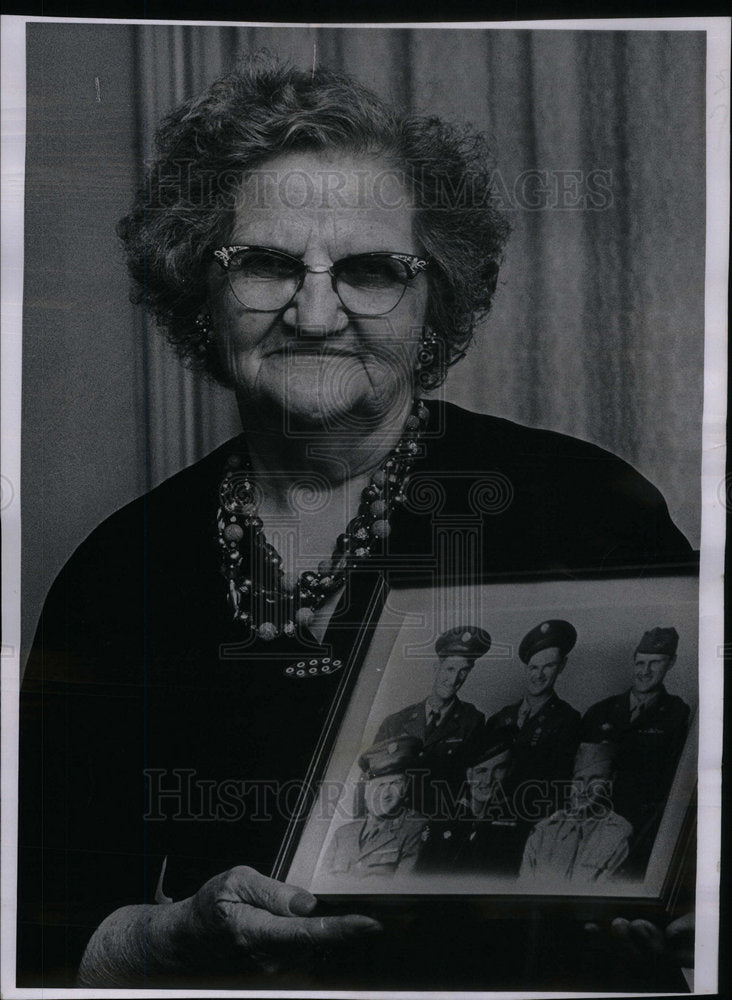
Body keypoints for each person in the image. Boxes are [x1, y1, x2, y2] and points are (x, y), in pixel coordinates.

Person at [17, 55, 694, 989]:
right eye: (266, 263)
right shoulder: (115, 573)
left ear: (436, 297)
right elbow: (44, 931)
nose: (317, 309)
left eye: (372, 270)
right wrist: (175, 939)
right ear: (198, 289)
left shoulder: (583, 505)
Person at [581, 626, 691, 874]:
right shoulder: (600, 711)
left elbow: (671, 780)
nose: (645, 671)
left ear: (671, 663)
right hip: (592, 820)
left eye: (655, 663)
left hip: (640, 825)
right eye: (640, 663)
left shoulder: (676, 713)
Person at [373, 625, 491, 814]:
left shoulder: (472, 721)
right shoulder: (395, 722)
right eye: (450, 668)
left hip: (439, 822)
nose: (453, 680)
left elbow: (471, 783)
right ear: (436, 666)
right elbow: (372, 781)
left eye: (463, 671)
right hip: (395, 823)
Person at [483, 620, 582, 827]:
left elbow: (560, 788)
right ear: (526, 668)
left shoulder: (567, 720)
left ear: (562, 665)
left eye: (548, 666)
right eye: (533, 667)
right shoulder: (502, 718)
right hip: (489, 819)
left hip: (532, 823)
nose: (539, 675)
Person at [519, 741, 633, 884]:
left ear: (610, 781)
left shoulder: (618, 835)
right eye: (579, 780)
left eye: (595, 780)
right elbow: (524, 886)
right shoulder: (543, 831)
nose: (584, 789)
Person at [416, 738, 523, 877]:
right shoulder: (442, 818)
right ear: (469, 774)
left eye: (499, 769)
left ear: (509, 771)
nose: (488, 780)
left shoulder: (516, 824)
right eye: (482, 771)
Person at [322, 737, 426, 879]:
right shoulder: (342, 834)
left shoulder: (414, 828)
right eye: (380, 785)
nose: (386, 793)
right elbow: (321, 884)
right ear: (366, 789)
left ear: (406, 787)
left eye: (395, 783)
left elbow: (402, 888)